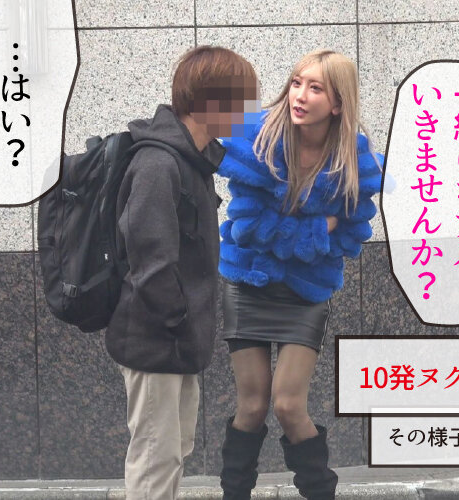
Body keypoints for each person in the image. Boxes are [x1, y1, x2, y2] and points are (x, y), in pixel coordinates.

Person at [217, 49, 383, 500]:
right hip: (248, 281)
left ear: (338, 103)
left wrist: (295, 229)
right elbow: (248, 228)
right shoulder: (259, 142)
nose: (300, 96)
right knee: (252, 406)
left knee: (289, 405)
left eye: (315, 88)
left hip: (306, 294)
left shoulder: (354, 160)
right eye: (296, 83)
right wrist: (316, 228)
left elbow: (353, 233)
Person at [105, 45, 259, 499]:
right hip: (155, 340)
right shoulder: (159, 163)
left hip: (176, 341)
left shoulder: (193, 161)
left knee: (173, 451)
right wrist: (178, 320)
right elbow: (150, 261)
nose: (248, 110)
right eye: (242, 99)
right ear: (211, 101)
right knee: (156, 458)